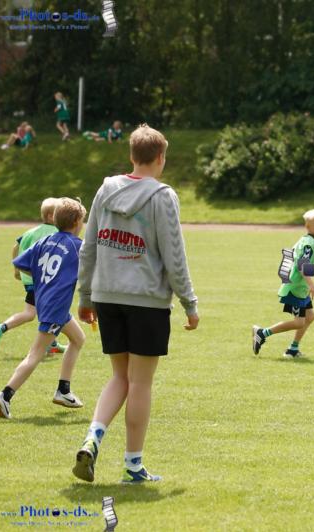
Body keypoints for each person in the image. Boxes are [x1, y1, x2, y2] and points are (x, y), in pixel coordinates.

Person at [72, 124, 199, 484]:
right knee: (140, 383)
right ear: (160, 157)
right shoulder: (163, 196)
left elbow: (89, 247)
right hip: (146, 300)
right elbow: (174, 256)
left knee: (119, 377)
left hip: (106, 296)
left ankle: (92, 438)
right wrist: (189, 303)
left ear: (131, 155)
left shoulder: (105, 189)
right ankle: (133, 465)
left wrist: (85, 296)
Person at [0, 197, 87, 419]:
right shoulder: (76, 245)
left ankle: (64, 390)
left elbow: (21, 264)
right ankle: (5, 395)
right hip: (55, 306)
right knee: (35, 354)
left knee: (78, 339)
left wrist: (44, 279)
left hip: (45, 302)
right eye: (82, 220)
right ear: (76, 221)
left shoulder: (45, 241)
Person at [0, 197, 67, 355]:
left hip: (28, 278)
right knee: (34, 313)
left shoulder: (30, 232)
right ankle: (2, 328)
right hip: (44, 280)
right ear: (51, 216)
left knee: (43, 311)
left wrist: (16, 270)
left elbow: (16, 247)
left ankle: (52, 344)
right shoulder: (56, 233)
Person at [252, 209, 314, 358]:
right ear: (307, 226)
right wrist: (312, 285)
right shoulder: (309, 243)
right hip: (295, 289)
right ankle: (262, 333)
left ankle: (292, 349)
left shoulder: (308, 240)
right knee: (299, 322)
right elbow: (302, 265)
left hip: (301, 289)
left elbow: (306, 262)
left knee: (310, 317)